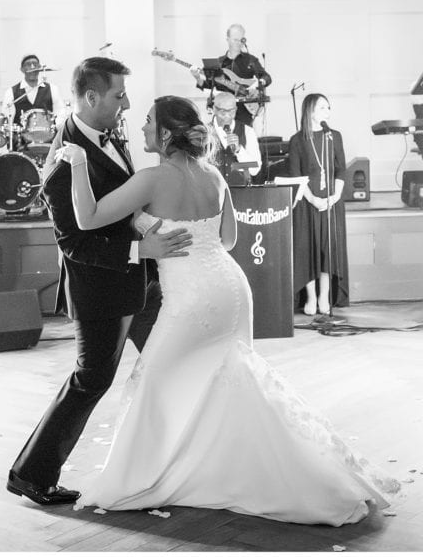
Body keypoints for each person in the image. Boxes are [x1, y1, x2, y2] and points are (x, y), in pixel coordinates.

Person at [53, 95, 397, 526]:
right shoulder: (213, 174)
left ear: (163, 134)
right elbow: (229, 239)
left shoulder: (152, 179)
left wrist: (79, 163)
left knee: (156, 384)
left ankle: (147, 478)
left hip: (193, 298)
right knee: (231, 384)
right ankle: (253, 467)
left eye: (146, 122)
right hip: (231, 287)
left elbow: (86, 218)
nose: (140, 127)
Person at [7, 57, 192, 506]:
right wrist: (137, 250)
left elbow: (123, 204)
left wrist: (146, 227)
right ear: (91, 98)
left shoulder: (111, 136)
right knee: (92, 379)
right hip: (102, 290)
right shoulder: (62, 158)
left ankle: (183, 462)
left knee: (171, 364)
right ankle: (32, 475)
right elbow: (73, 241)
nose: (126, 103)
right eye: (118, 95)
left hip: (142, 282)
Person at [288, 93, 349, 316]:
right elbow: (295, 175)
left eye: (328, 107)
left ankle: (324, 296)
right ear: (310, 111)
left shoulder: (334, 136)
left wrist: (334, 197)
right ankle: (311, 297)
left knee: (326, 250)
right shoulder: (297, 140)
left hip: (331, 202)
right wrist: (313, 199)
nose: (327, 111)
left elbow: (341, 169)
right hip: (307, 203)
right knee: (308, 249)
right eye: (322, 107)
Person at [190, 23, 271, 127]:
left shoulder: (250, 60)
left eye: (241, 40)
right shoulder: (219, 63)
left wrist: (255, 86)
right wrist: (197, 77)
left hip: (244, 111)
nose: (239, 43)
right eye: (235, 40)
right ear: (227, 39)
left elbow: (266, 78)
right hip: (223, 111)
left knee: (243, 140)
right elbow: (207, 86)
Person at [1, 54, 68, 151]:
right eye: (28, 64)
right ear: (22, 69)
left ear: (40, 68)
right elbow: (7, 118)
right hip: (21, 143)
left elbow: (61, 112)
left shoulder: (53, 89)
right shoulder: (11, 92)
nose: (32, 67)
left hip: (48, 141)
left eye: (35, 64)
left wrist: (55, 128)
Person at [208, 92, 261, 186]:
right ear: (214, 109)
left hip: (241, 193)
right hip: (212, 193)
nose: (227, 116)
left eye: (231, 111)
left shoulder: (247, 131)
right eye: (223, 111)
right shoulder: (204, 132)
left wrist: (239, 151)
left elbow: (255, 170)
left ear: (236, 109)